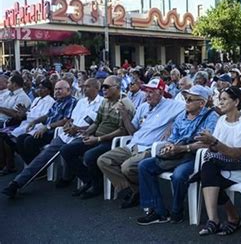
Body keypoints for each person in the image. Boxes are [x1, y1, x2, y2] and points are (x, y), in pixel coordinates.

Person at [1, 79, 103, 198]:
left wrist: (76, 128)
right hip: (66, 134)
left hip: (83, 135)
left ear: (96, 88)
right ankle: (17, 183)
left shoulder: (101, 103)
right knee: (42, 157)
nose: (84, 88)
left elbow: (97, 124)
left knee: (66, 150)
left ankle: (87, 181)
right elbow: (71, 119)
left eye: (88, 86)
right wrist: (68, 125)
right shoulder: (81, 102)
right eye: (83, 86)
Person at [136, 85, 219, 225]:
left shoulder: (211, 117)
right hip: (177, 154)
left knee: (179, 175)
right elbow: (173, 137)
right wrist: (169, 146)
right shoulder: (181, 116)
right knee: (144, 165)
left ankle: (177, 211)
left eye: (190, 99)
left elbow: (207, 144)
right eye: (185, 98)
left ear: (202, 103)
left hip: (195, 156)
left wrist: (182, 148)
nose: (186, 101)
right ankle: (159, 211)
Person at [97, 78, 185, 209]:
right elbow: (132, 130)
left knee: (127, 167)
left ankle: (137, 193)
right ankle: (134, 191)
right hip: (133, 144)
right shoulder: (143, 106)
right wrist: (125, 116)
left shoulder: (173, 105)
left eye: (151, 92)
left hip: (149, 148)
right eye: (146, 91)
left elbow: (191, 109)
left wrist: (174, 123)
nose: (147, 94)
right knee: (103, 160)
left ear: (160, 92)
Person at [194, 86, 241, 236]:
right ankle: (216, 219)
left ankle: (229, 218)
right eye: (220, 99)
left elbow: (237, 155)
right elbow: (216, 148)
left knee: (207, 174)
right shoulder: (222, 120)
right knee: (208, 169)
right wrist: (209, 142)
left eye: (224, 99)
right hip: (224, 163)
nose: (220, 103)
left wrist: (214, 142)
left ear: (236, 102)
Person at [60, 76, 135, 199]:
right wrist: (87, 132)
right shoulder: (105, 101)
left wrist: (98, 139)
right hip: (97, 137)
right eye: (103, 86)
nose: (103, 89)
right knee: (66, 150)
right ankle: (89, 180)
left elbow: (123, 131)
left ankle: (96, 185)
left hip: (112, 141)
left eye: (106, 87)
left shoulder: (125, 104)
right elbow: (97, 122)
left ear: (117, 88)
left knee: (89, 155)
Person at [0, 79, 55, 176]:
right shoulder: (37, 99)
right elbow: (31, 112)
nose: (39, 90)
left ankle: (35, 167)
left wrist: (26, 114)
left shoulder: (50, 101)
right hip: (27, 123)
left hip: (37, 126)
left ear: (49, 90)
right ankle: (28, 164)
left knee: (24, 140)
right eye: (39, 87)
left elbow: (42, 116)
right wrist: (26, 112)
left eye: (43, 88)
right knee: (6, 137)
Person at [14, 80, 76, 164]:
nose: (57, 91)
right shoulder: (57, 101)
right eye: (56, 89)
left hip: (56, 131)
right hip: (46, 129)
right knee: (21, 139)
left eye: (60, 89)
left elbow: (66, 120)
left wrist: (47, 127)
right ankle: (31, 166)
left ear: (68, 90)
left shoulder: (71, 101)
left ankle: (39, 169)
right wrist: (34, 122)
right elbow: (47, 115)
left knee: (29, 141)